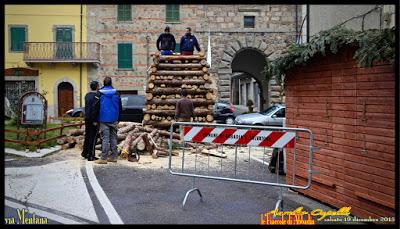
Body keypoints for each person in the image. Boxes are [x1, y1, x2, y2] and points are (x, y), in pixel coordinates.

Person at [95, 77, 122, 164]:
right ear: (111, 83)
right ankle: (114, 157)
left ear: (104, 83)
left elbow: (96, 106)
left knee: (105, 138)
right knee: (114, 137)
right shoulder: (116, 93)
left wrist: (96, 118)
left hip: (103, 118)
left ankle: (103, 158)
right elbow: (120, 106)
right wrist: (119, 118)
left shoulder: (100, 93)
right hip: (114, 118)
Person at [81, 81, 100, 161]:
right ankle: (91, 155)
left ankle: (85, 153)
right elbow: (94, 109)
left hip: (87, 118)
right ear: (97, 87)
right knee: (93, 137)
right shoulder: (96, 96)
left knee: (87, 136)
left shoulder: (87, 95)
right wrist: (95, 120)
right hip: (93, 119)